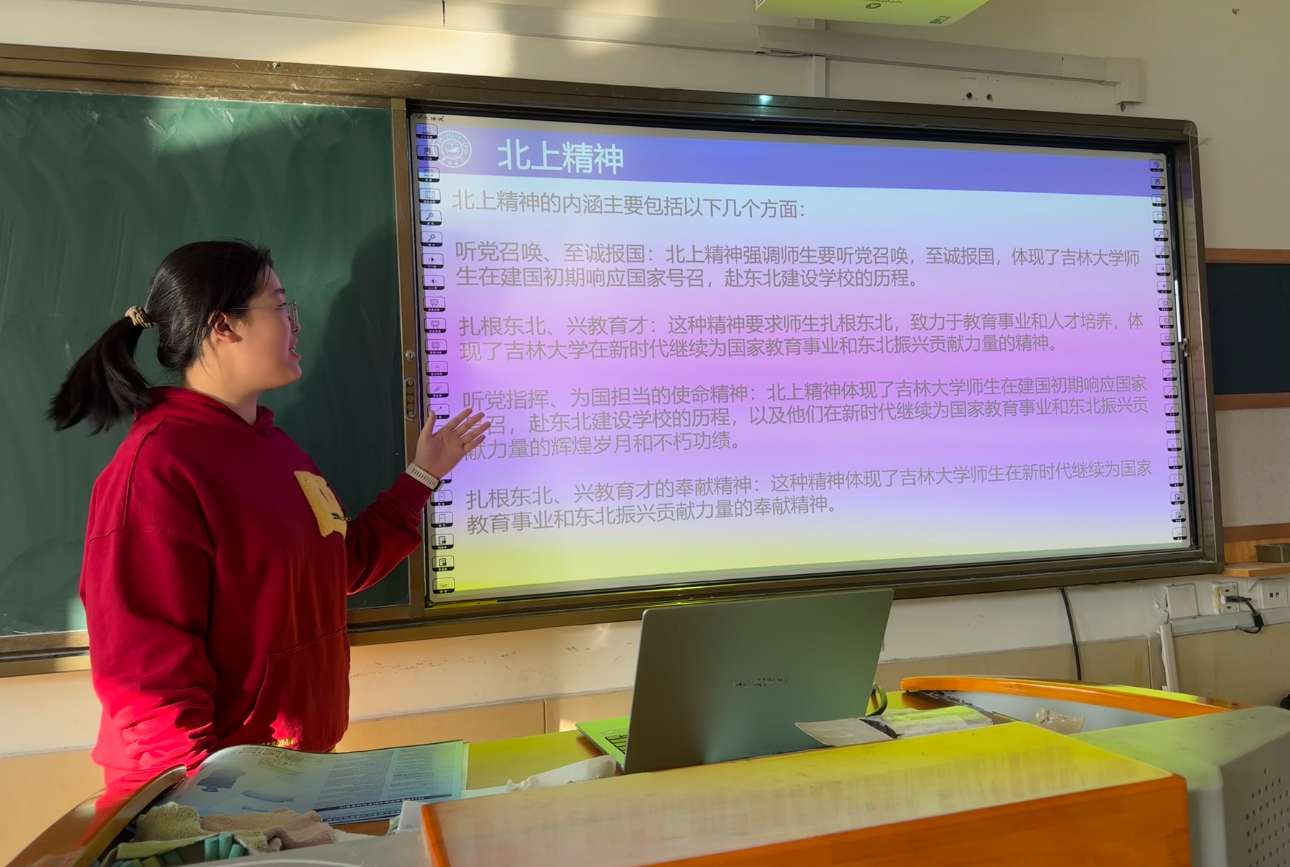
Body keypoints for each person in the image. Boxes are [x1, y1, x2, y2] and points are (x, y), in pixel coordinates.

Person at [48, 240, 488, 787]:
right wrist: (202, 807)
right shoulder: (157, 471)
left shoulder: (277, 451)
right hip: (212, 797)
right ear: (223, 326)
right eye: (280, 307)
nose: (295, 324)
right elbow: (147, 676)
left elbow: (338, 566)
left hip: (289, 777)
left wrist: (423, 475)